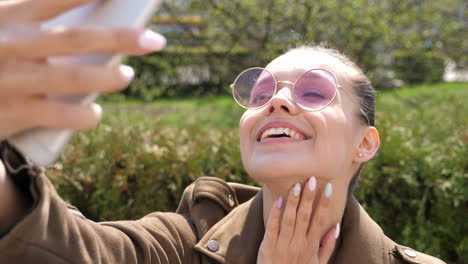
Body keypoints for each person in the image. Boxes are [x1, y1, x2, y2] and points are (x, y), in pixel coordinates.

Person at [0, 1, 447, 263]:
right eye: (260, 93)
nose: (277, 100)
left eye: (314, 92)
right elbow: (60, 248)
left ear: (364, 143)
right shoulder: (180, 243)